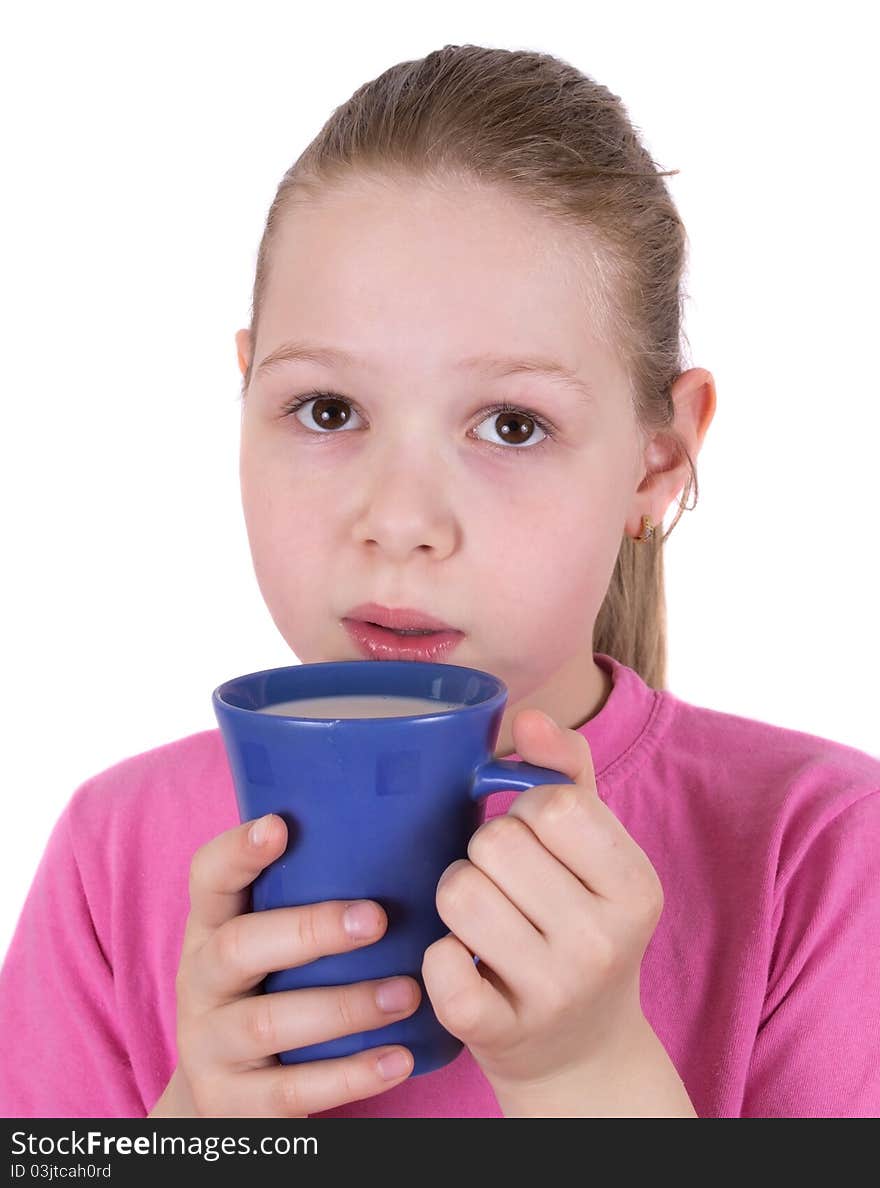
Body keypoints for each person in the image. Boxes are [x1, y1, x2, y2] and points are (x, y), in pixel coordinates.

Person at [2, 43, 878, 1120]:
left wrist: (587, 1074)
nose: (400, 522)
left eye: (511, 425)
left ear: (655, 463)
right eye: (327, 410)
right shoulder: (113, 852)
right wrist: (198, 1125)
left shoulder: (826, 851)